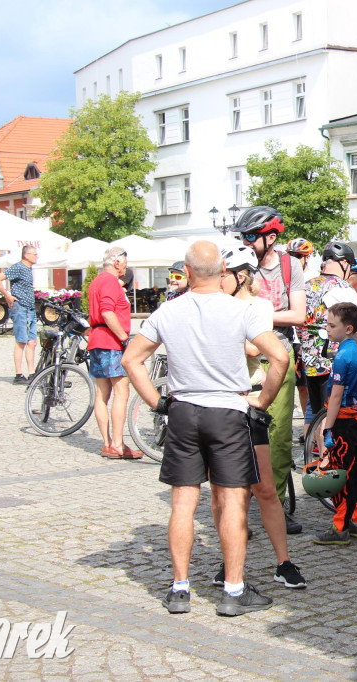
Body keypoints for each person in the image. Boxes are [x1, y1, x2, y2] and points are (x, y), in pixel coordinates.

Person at [122, 241, 287, 616]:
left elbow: (131, 359)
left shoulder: (168, 310)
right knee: (232, 501)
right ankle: (233, 590)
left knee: (183, 503)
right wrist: (261, 401)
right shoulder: (239, 310)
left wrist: (156, 402)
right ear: (223, 270)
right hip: (228, 411)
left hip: (183, 410)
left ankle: (180, 589)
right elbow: (279, 356)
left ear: (188, 269)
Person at [215, 246, 306, 588]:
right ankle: (229, 563)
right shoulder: (215, 304)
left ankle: (283, 562)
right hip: (217, 401)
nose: (217, 280)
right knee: (222, 494)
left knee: (265, 488)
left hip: (247, 398)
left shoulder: (260, 305)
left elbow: (255, 349)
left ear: (241, 277)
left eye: (223, 274)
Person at [232, 207, 306, 535]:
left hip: (277, 356)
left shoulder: (290, 267)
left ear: (270, 238)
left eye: (250, 236)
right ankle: (239, 510)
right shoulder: (237, 266)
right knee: (237, 435)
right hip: (241, 358)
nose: (245, 242)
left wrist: (258, 315)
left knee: (276, 437)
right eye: (243, 236)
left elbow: (299, 315)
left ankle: (273, 505)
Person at [312, 302, 357, 545]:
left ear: (348, 328)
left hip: (344, 423)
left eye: (331, 325)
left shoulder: (341, 357)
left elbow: (335, 396)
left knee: (339, 474)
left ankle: (340, 529)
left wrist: (327, 428)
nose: (327, 328)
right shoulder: (356, 350)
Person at [299, 242, 357, 422]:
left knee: (316, 417)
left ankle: (317, 450)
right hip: (334, 361)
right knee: (333, 416)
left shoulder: (307, 285)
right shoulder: (341, 287)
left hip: (310, 362)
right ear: (344, 263)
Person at [88, 247, 139, 459]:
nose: (126, 266)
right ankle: (117, 444)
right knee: (121, 391)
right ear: (117, 262)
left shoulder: (96, 281)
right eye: (125, 262)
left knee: (102, 394)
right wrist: (123, 337)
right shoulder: (109, 281)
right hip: (111, 340)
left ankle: (108, 443)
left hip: (97, 340)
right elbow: (107, 312)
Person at [0, 245, 38, 383]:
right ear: (26, 255)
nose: (37, 257)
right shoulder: (18, 267)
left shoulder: (28, 269)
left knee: (32, 342)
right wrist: (7, 295)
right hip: (20, 308)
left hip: (30, 308)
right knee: (21, 341)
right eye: (35, 254)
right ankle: (18, 375)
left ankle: (32, 373)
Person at [287, 239, 315, 444]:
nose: (294, 260)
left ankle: (312, 428)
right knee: (299, 387)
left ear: (307, 258)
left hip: (309, 339)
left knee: (309, 385)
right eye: (291, 257)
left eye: (298, 257)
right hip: (292, 338)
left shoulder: (312, 278)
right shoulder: (285, 277)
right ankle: (308, 428)